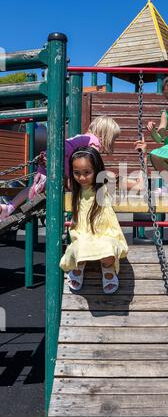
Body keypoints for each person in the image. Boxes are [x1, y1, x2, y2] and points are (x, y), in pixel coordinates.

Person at [0, 115, 120, 221]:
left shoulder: (84, 137)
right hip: (60, 160)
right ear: (106, 135)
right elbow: (92, 164)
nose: (113, 142)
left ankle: (9, 207)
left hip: (50, 155)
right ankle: (82, 206)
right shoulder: (94, 142)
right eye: (113, 139)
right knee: (80, 182)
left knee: (32, 188)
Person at [60, 146, 128, 294]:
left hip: (106, 234)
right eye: (77, 173)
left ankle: (107, 267)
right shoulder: (74, 187)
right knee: (79, 247)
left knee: (109, 251)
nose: (82, 177)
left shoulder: (106, 186)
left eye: (87, 172)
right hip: (83, 235)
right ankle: (80, 265)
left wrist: (143, 153)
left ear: (97, 170)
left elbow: (138, 185)